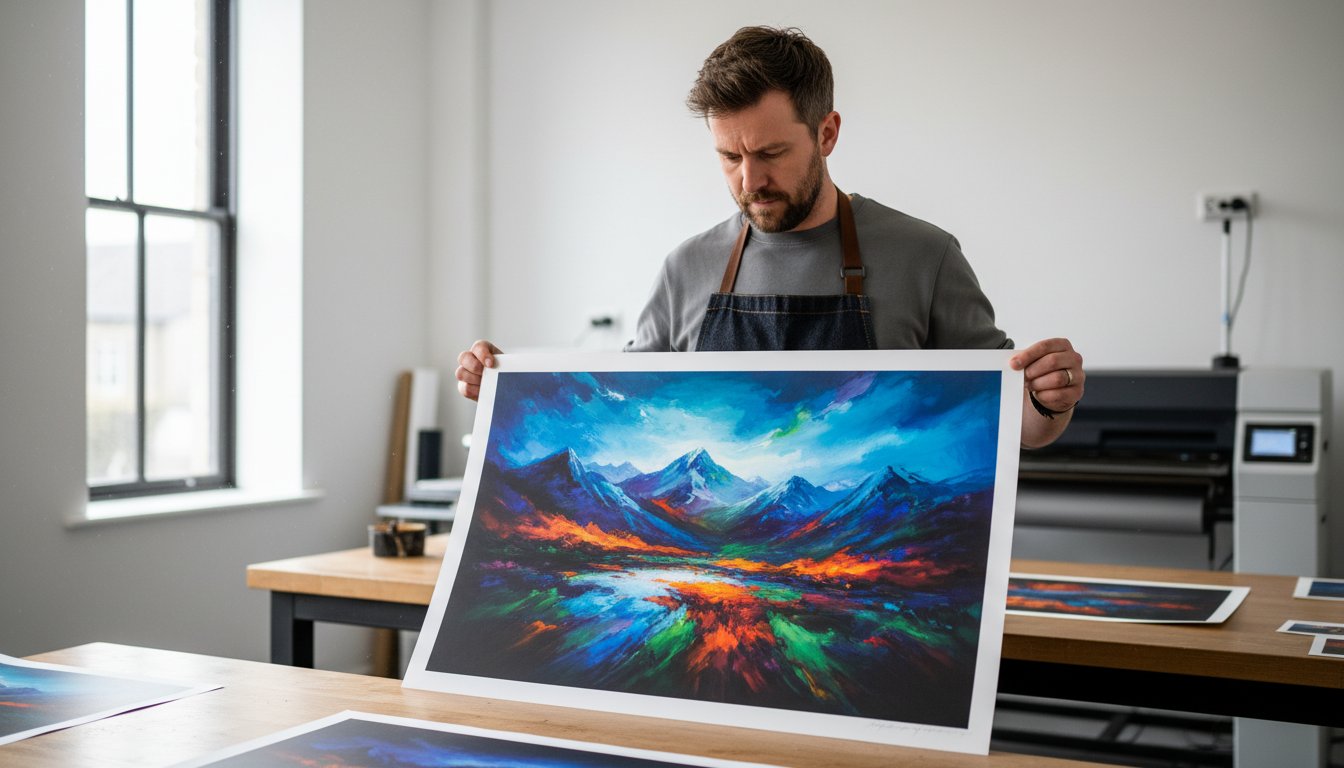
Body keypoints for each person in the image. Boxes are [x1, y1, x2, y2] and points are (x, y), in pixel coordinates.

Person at [456, 26, 1084, 448]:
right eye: (729, 156)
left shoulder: (925, 256)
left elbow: (1014, 425)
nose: (749, 180)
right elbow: (621, 420)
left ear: (827, 133)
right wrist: (508, 389)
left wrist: (1049, 400)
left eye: (771, 153)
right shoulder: (686, 268)